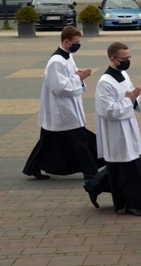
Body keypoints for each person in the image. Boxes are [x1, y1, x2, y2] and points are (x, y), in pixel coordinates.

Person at [23, 26, 104, 180]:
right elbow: (59, 87)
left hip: (67, 106)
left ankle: (33, 167)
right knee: (80, 139)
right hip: (61, 109)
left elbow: (68, 77)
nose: (78, 45)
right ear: (66, 42)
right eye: (76, 42)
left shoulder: (67, 57)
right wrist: (79, 78)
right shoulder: (56, 61)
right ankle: (90, 170)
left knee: (48, 141)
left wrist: (77, 74)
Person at [83, 42, 141, 216]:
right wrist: (129, 101)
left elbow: (131, 95)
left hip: (129, 125)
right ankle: (132, 204)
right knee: (125, 167)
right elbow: (108, 111)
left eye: (129, 58)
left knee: (127, 165)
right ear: (112, 58)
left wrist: (134, 98)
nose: (127, 61)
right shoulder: (105, 82)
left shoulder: (124, 74)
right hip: (115, 131)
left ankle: (94, 185)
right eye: (124, 58)